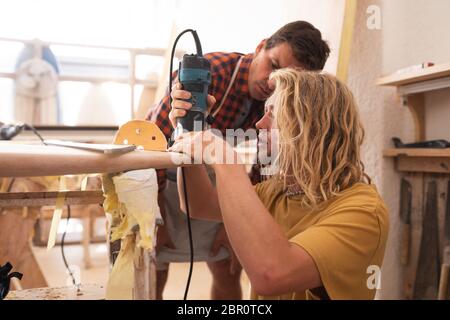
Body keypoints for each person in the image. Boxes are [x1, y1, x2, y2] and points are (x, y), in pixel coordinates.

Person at [146, 21, 330, 299]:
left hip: (206, 173)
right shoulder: (210, 73)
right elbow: (154, 143)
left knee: (228, 267)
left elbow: (264, 170)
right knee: (154, 268)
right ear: (260, 47)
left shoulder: (278, 102)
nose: (272, 82)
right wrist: (153, 218)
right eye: (273, 65)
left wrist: (232, 226)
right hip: (159, 174)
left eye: (287, 79)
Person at [170, 69, 389, 300]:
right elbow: (199, 204)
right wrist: (191, 131)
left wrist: (226, 160)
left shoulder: (363, 213)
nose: (259, 124)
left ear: (310, 127)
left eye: (273, 115)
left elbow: (271, 275)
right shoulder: (278, 191)